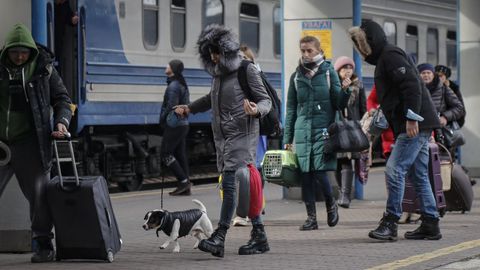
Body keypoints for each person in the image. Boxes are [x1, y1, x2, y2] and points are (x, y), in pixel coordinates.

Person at [174, 24, 272, 257]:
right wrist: (189, 108)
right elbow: (211, 98)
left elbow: (265, 100)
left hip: (243, 136)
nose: (213, 57)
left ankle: (219, 236)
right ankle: (259, 235)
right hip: (223, 139)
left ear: (226, 51)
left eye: (216, 52)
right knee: (241, 188)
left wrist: (255, 109)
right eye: (210, 54)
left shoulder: (246, 70)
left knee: (229, 185)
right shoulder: (218, 74)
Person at [350, 20, 442, 241]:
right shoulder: (386, 57)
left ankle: (390, 222)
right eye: (358, 45)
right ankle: (431, 223)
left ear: (371, 41)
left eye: (362, 43)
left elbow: (411, 86)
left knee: (394, 169)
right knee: (418, 174)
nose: (361, 49)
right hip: (416, 123)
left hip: (414, 124)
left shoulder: (390, 55)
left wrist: (411, 118)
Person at [0, 24, 72, 262]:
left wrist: (62, 121)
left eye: (23, 52)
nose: (19, 56)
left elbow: (62, 99)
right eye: (14, 52)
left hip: (30, 143)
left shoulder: (44, 69)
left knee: (40, 195)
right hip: (1, 143)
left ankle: (43, 245)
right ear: (6, 51)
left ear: (30, 51)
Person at [284, 36, 349, 231]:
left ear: (318, 50)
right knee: (305, 175)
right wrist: (287, 139)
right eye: (302, 51)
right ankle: (311, 218)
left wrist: (345, 91)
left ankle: (331, 204)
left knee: (320, 172)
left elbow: (338, 104)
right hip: (302, 131)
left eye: (309, 50)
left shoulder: (328, 72)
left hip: (324, 129)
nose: (305, 54)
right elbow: (291, 110)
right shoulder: (296, 76)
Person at [333, 56, 367, 209]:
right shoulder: (334, 85)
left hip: (352, 128)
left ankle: (346, 195)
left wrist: (363, 127)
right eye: (344, 68)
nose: (347, 71)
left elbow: (362, 109)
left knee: (347, 160)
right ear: (338, 71)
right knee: (337, 162)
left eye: (350, 68)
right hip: (336, 128)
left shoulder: (358, 85)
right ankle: (342, 192)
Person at [159, 59, 191, 196]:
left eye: (168, 65)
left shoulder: (173, 86)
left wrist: (163, 120)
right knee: (180, 154)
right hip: (183, 124)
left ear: (173, 69)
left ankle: (183, 181)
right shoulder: (181, 84)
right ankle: (185, 185)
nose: (166, 66)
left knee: (165, 154)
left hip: (175, 124)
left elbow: (172, 105)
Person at [418, 63, 465, 142]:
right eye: (423, 73)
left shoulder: (443, 88)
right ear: (418, 75)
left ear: (433, 75)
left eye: (428, 73)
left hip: (439, 134)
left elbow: (459, 108)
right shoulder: (413, 89)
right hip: (419, 131)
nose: (426, 75)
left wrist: (445, 117)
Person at [54, 0, 79, 74]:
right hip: (48, 37)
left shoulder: (65, 5)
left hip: (58, 39)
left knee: (57, 61)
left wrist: (73, 20)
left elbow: (69, 16)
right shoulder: (49, 4)